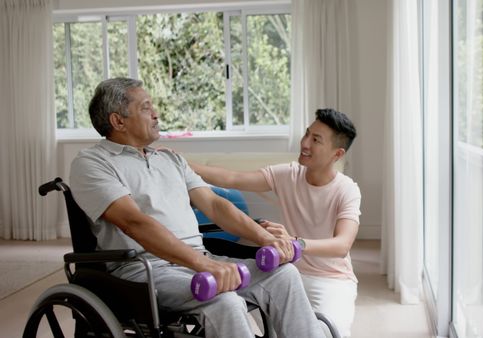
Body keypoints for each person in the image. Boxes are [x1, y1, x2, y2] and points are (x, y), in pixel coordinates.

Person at [69, 77, 325, 338]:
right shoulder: (92, 163)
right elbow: (134, 222)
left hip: (200, 259)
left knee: (284, 276)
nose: (156, 114)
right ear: (118, 121)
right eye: (146, 108)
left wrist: (266, 239)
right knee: (226, 301)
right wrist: (204, 267)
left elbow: (214, 205)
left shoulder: (170, 159)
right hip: (145, 270)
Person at [189, 108, 361, 337]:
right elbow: (232, 178)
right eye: (307, 134)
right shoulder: (289, 174)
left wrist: (296, 243)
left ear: (336, 154)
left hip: (331, 281)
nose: (305, 143)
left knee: (324, 333)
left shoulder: (346, 189)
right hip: (286, 274)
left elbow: (342, 246)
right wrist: (179, 162)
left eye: (316, 140)